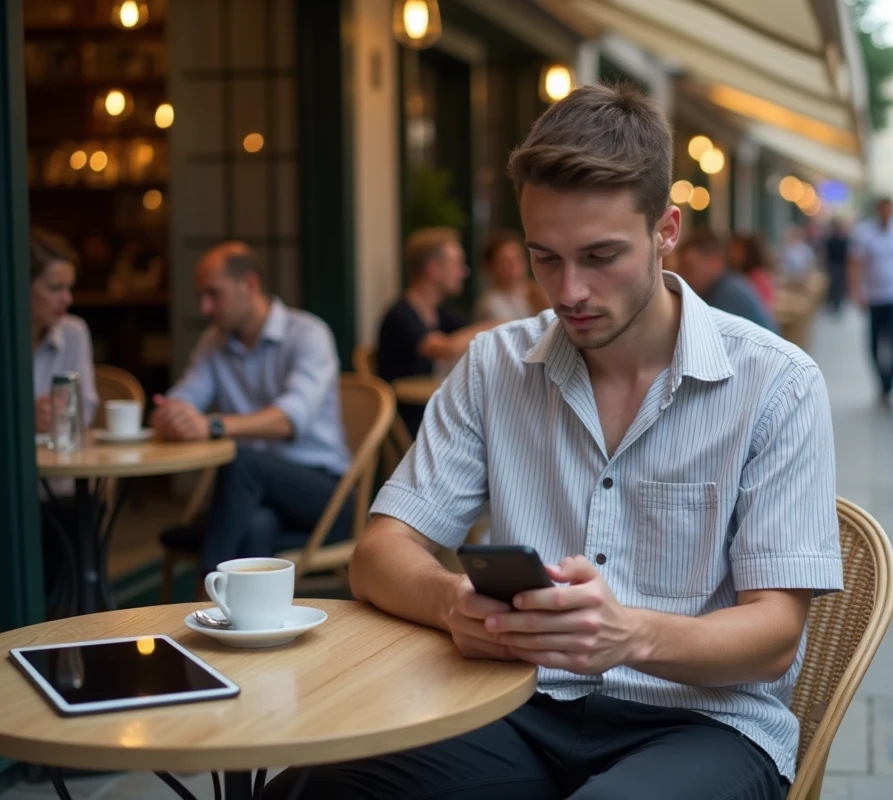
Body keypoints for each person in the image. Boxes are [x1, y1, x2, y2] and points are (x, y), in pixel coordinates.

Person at [267, 82, 842, 800]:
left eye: (601, 256)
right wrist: (452, 602)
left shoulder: (777, 384)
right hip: (514, 702)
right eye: (545, 258)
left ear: (666, 230)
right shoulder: (495, 365)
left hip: (704, 723)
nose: (569, 292)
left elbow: (775, 635)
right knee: (306, 790)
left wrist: (629, 635)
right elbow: (379, 554)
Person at [154, 242, 352, 575]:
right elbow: (184, 397)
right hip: (254, 498)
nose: (204, 307)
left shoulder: (308, 333)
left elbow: (291, 419)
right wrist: (171, 415)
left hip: (325, 494)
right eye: (201, 296)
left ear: (249, 284)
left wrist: (212, 425)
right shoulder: (214, 342)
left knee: (242, 463)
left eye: (213, 294)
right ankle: (229, 603)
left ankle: (205, 587)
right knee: (256, 526)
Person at [30, 227, 99, 609]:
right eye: (55, 288)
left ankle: (75, 622)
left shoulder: (73, 332)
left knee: (81, 515)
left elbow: (85, 407)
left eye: (69, 287)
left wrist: (57, 413)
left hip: (59, 486)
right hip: (13, 487)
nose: (67, 299)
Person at [376, 227, 494, 436]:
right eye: (457, 264)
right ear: (433, 269)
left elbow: (468, 332)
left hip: (433, 414)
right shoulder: (400, 315)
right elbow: (445, 349)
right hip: (411, 426)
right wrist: (499, 324)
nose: (464, 272)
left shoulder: (439, 312)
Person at [848, 196, 893, 407]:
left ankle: (890, 388)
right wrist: (856, 291)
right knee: (874, 344)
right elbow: (855, 263)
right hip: (874, 296)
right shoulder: (865, 233)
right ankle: (882, 383)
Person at [676, 228, 777, 332]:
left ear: (715, 263)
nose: (680, 274)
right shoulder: (729, 285)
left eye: (688, 267)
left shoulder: (728, 295)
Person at [475, 229, 551, 323]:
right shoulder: (490, 304)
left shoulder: (538, 291)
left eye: (518, 258)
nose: (514, 265)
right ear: (490, 267)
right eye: (504, 261)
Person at [729, 233, 777, 312]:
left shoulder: (757, 278)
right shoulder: (743, 276)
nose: (732, 253)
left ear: (749, 252)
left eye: (737, 250)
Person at [823, 217, 850, 314]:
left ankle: (837, 303)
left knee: (839, 286)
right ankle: (834, 302)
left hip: (840, 266)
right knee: (834, 286)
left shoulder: (844, 241)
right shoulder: (831, 241)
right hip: (833, 266)